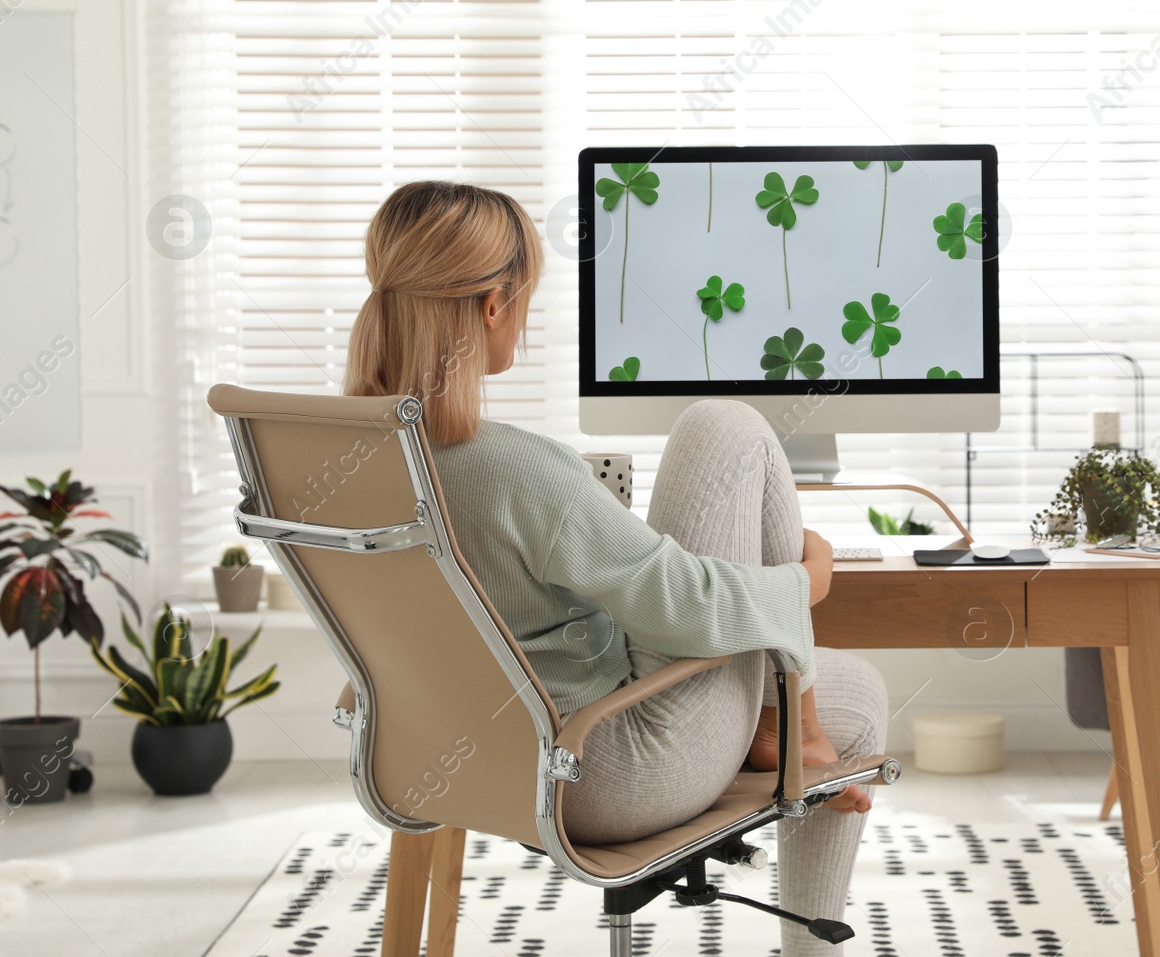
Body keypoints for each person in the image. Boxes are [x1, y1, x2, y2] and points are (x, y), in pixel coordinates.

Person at [343, 180, 889, 956]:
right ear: (495, 305)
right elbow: (688, 606)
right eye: (524, 297)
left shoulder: (344, 463)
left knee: (857, 693)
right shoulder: (513, 469)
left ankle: (794, 723)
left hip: (451, 755)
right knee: (725, 422)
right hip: (602, 773)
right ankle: (788, 722)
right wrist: (808, 582)